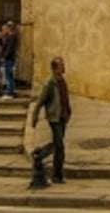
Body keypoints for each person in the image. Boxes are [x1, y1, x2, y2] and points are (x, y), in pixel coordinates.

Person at [32, 56, 72, 184]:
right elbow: (40, 101)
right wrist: (34, 117)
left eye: (63, 65)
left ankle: (55, 171)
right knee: (59, 145)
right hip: (54, 117)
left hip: (63, 117)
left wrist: (69, 111)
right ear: (55, 69)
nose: (63, 67)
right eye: (61, 65)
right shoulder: (49, 83)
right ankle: (55, 173)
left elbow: (65, 97)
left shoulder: (62, 81)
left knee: (57, 144)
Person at [0, 21, 19, 99]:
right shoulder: (9, 37)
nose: (4, 30)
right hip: (9, 58)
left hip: (8, 59)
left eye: (5, 28)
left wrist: (4, 57)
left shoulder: (11, 37)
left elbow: (9, 49)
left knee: (8, 76)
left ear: (9, 28)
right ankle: (10, 91)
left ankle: (9, 92)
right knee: (9, 75)